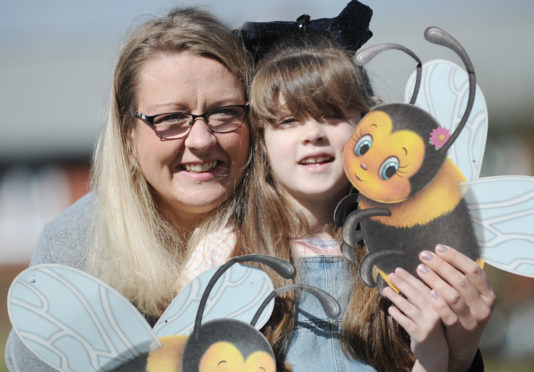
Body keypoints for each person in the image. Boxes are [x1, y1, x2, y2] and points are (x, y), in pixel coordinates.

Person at [185, 34, 496, 371]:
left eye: (333, 115)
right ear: (261, 141)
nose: (313, 134)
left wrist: (435, 353)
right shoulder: (223, 255)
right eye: (289, 120)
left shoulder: (401, 252)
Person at [5, 7, 252, 371]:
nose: (201, 139)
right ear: (127, 135)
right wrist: (186, 314)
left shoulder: (301, 228)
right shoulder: (74, 249)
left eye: (225, 112)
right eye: (171, 118)